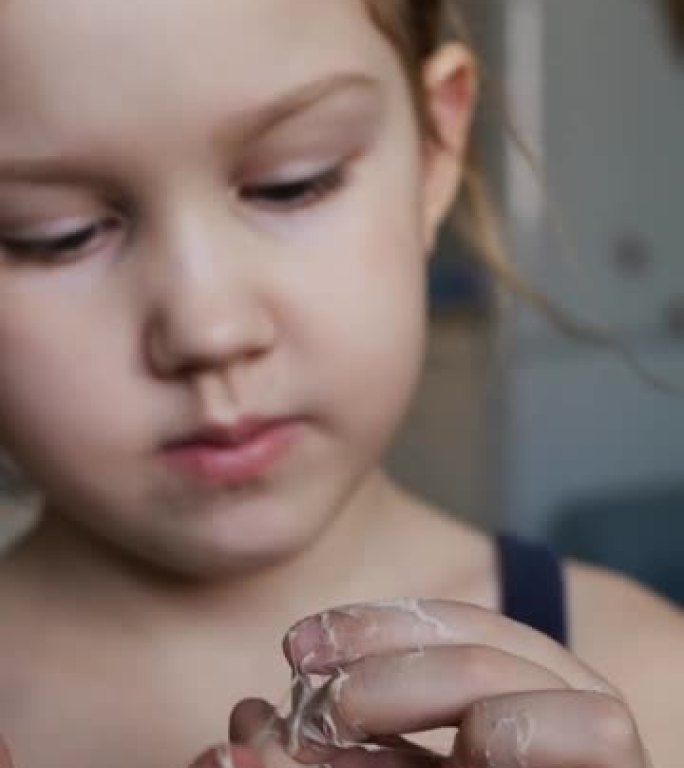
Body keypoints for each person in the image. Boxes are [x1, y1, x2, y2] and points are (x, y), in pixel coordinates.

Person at [0, 1, 681, 767]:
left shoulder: (654, 680)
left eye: (294, 184)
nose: (209, 330)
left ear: (433, 152)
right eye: (54, 233)